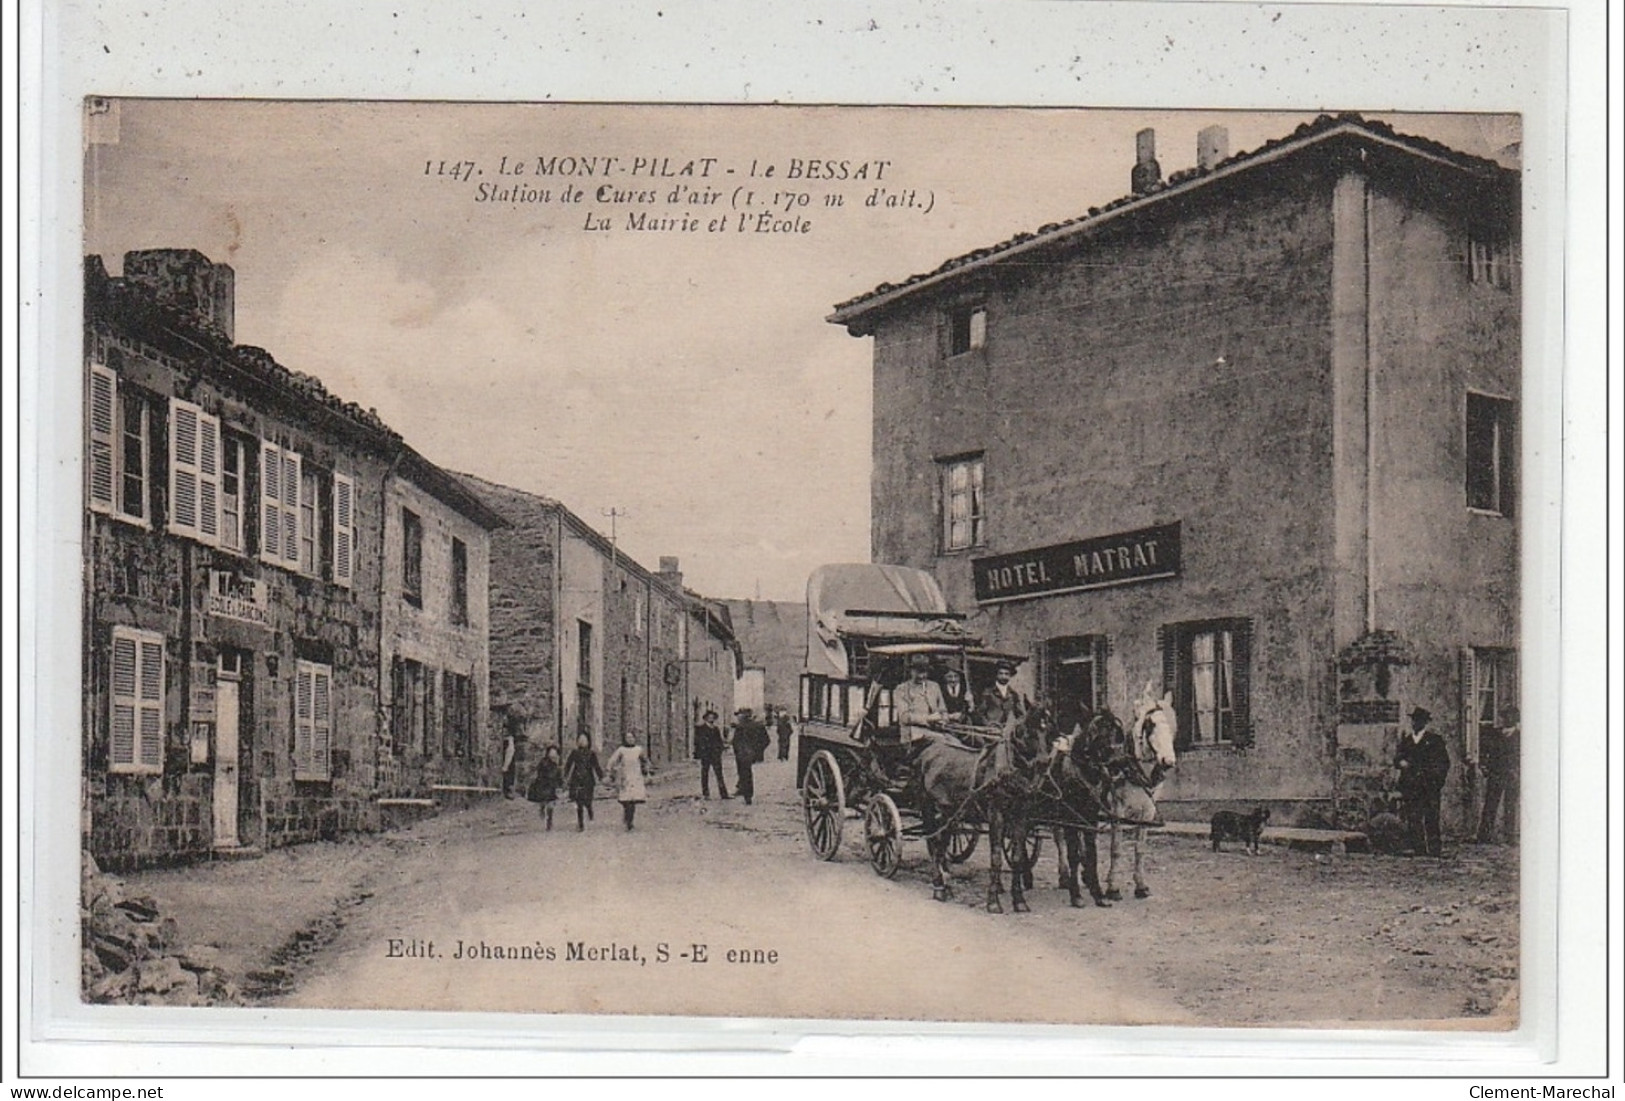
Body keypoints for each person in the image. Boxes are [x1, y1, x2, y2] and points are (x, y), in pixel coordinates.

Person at [1395, 705, 1450, 857]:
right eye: (1414, 720)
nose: (1415, 723)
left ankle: (1434, 849)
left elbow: (1444, 763)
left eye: (1419, 720)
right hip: (1411, 785)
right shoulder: (1407, 741)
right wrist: (1401, 763)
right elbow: (1397, 758)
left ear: (1425, 723)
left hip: (1429, 786)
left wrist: (1436, 781)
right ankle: (1418, 848)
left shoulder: (1434, 741)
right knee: (1414, 817)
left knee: (1431, 817)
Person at [1475, 705, 1520, 844]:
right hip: (1496, 773)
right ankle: (1484, 835)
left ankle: (1510, 836)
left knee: (1510, 805)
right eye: (1505, 716)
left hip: (1512, 774)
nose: (1506, 719)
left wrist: (1517, 770)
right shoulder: (1495, 734)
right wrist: (1484, 766)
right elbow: (1486, 751)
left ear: (1515, 718)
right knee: (1490, 804)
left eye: (1510, 716)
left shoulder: (1520, 736)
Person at [893, 654, 947, 743]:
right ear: (911, 671)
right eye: (918, 672)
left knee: (954, 743)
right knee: (942, 742)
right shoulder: (902, 689)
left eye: (924, 672)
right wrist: (928, 718)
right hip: (913, 735)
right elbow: (904, 717)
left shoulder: (934, 686)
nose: (922, 676)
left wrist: (944, 720)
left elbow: (943, 710)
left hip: (936, 731)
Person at [605, 731, 650, 831]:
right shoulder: (621, 750)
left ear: (634, 738)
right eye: (627, 737)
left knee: (633, 800)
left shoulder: (638, 750)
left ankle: (630, 822)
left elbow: (645, 761)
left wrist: (646, 772)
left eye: (631, 737)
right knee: (626, 800)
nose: (630, 739)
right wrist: (611, 771)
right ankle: (626, 815)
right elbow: (612, 760)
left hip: (635, 777)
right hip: (625, 778)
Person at [562, 733, 604, 832]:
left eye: (584, 739)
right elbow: (568, 765)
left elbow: (596, 766)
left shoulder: (591, 753)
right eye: (580, 739)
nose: (582, 741)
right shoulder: (574, 752)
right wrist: (565, 776)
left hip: (588, 779)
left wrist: (601, 776)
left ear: (588, 742)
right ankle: (580, 823)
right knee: (579, 802)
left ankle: (589, 809)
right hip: (577, 779)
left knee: (588, 800)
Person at [732, 708, 770, 805]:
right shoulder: (757, 725)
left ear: (744, 716)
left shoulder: (742, 726)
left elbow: (736, 741)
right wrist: (758, 751)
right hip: (745, 753)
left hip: (743, 753)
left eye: (739, 715)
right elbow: (766, 741)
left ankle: (747, 795)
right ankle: (743, 791)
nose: (738, 717)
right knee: (745, 773)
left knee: (745, 773)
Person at [975, 660, 1027, 728]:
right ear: (996, 675)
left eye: (1006, 674)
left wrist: (1013, 725)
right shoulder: (988, 693)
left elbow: (1022, 716)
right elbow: (980, 714)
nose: (1003, 676)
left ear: (1010, 676)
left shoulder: (1013, 695)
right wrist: (988, 724)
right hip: (990, 731)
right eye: (1001, 673)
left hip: (1006, 733)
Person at [693, 708, 730, 799]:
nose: (711, 719)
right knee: (705, 774)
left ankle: (724, 794)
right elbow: (697, 742)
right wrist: (699, 753)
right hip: (706, 754)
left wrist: (721, 749)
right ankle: (706, 794)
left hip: (715, 754)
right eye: (709, 717)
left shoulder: (715, 729)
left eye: (713, 718)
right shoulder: (700, 729)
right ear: (705, 719)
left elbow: (719, 741)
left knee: (719, 774)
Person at [528, 743, 563, 830]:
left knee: (550, 805)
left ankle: (549, 821)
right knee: (543, 802)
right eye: (551, 753)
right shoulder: (543, 762)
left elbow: (559, 776)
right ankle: (542, 809)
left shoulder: (557, 765)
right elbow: (539, 773)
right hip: (543, 785)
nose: (553, 755)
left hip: (552, 787)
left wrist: (560, 785)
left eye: (555, 754)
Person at [500, 723, 519, 799]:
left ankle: (509, 791)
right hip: (506, 760)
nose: (504, 732)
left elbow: (510, 752)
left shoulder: (509, 740)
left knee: (508, 776)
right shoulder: (505, 740)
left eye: (505, 730)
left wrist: (505, 765)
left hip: (508, 761)